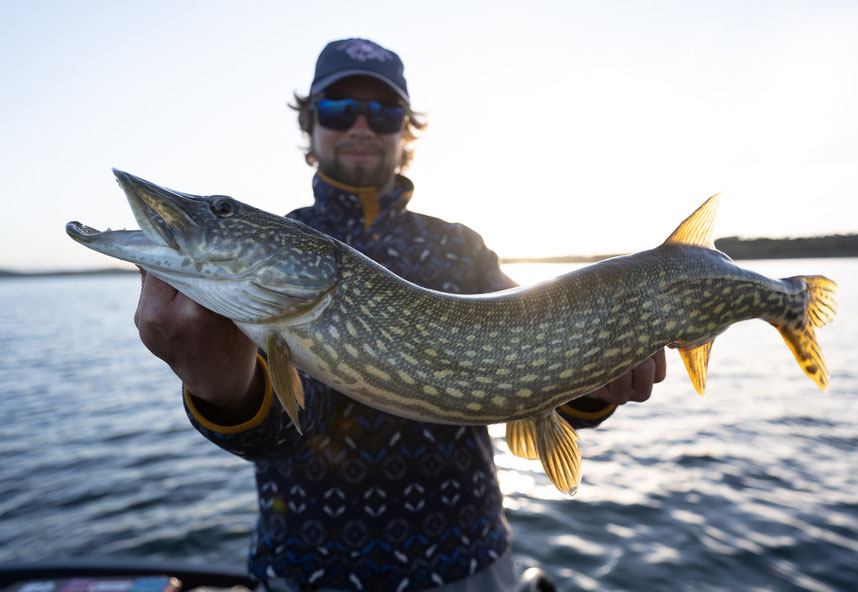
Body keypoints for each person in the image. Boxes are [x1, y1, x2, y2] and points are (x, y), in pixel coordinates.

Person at [134, 38, 666, 592]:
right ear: (311, 126)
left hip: (464, 561)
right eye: (340, 109)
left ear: (404, 131)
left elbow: (529, 373)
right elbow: (274, 436)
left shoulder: (462, 247)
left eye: (383, 112)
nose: (361, 126)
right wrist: (223, 390)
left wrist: (595, 385)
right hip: (306, 568)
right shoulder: (272, 249)